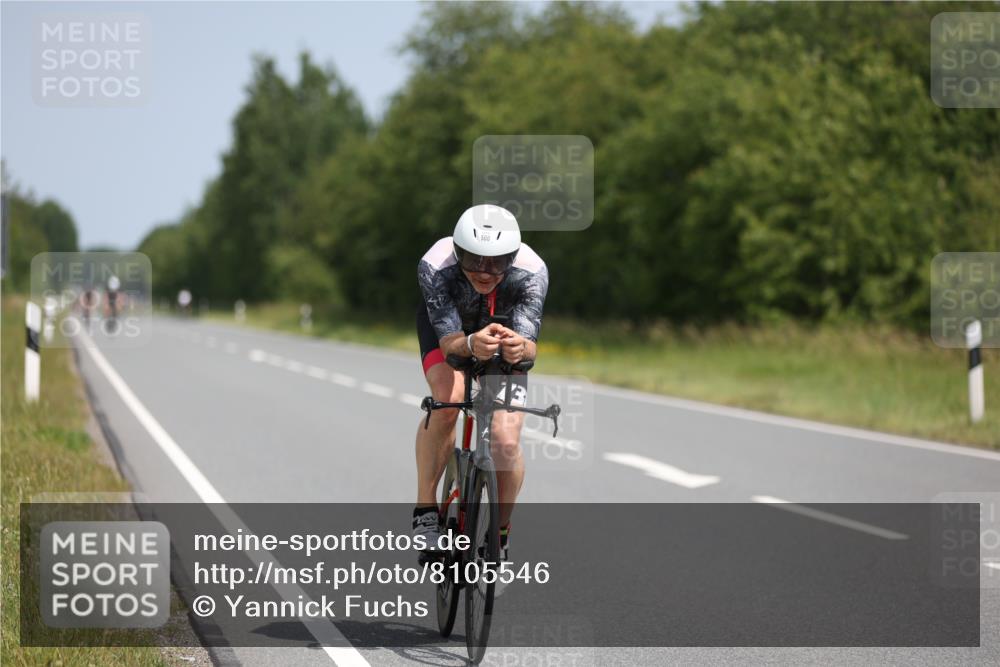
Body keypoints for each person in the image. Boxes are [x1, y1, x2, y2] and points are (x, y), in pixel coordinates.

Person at [413, 204, 548, 560]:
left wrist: (520, 347)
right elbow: (449, 344)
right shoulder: (435, 265)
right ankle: (426, 512)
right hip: (451, 331)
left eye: (498, 262)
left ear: (513, 257)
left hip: (504, 335)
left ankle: (500, 533)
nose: (485, 273)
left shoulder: (532, 272)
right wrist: (472, 343)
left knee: (505, 440)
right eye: (474, 260)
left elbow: (530, 348)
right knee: (448, 399)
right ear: (458, 252)